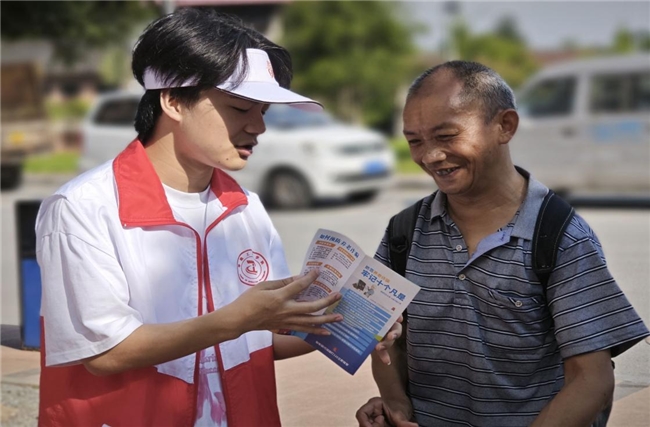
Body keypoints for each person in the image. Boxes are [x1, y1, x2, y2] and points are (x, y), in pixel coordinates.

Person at [35, 9, 399, 427]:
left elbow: (270, 337)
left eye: (263, 110)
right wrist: (239, 320)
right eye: (241, 107)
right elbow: (105, 352)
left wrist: (356, 322)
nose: (258, 126)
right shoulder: (83, 208)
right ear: (173, 100)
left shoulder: (245, 207)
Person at [356, 61, 650, 427]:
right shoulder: (404, 232)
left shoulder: (559, 236)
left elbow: (592, 379)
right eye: (415, 141)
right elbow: (385, 340)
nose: (430, 156)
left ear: (504, 126)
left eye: (446, 136)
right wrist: (395, 402)